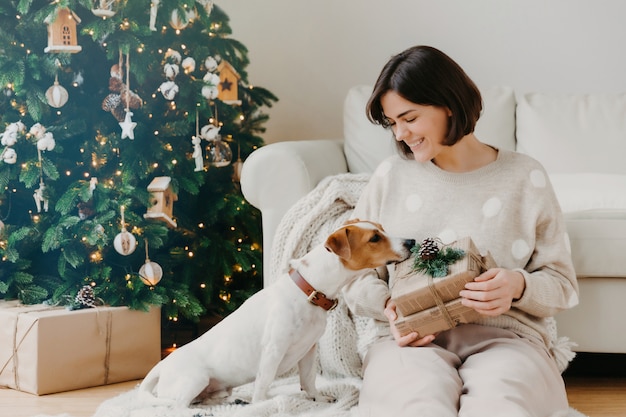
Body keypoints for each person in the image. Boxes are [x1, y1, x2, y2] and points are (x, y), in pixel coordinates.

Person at [342, 45, 579, 417]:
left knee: (499, 407)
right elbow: (354, 275)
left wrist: (517, 286)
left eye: (410, 118)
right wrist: (390, 308)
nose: (401, 133)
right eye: (393, 123)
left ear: (447, 104)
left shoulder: (525, 176)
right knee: (416, 407)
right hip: (408, 342)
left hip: (507, 339)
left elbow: (563, 284)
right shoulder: (390, 177)